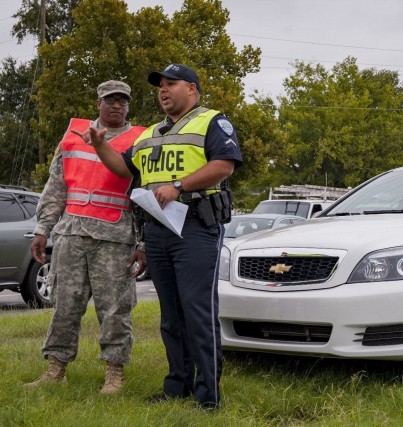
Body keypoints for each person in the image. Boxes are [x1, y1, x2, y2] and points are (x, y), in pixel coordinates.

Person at [81, 64, 243, 410]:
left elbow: (224, 164)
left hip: (196, 227)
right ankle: (177, 385)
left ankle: (208, 396)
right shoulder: (150, 133)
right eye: (160, 87)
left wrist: (179, 186)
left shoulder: (212, 121)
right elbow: (126, 169)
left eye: (172, 84)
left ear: (193, 90)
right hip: (157, 231)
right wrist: (99, 145)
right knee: (170, 316)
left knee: (197, 311)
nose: (164, 91)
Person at [26, 80, 147, 394]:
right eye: (110, 100)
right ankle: (55, 370)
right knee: (65, 306)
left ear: (129, 105)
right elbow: (56, 188)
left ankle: (114, 374)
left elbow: (146, 196)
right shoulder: (73, 136)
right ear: (98, 103)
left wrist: (143, 242)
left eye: (122, 100)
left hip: (116, 239)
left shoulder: (142, 140)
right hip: (71, 235)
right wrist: (42, 229)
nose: (116, 105)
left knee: (116, 310)